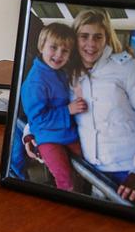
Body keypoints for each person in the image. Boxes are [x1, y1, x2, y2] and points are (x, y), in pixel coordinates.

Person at [70, 9, 135, 204]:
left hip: (129, 172)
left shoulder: (127, 67)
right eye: (84, 36)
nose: (91, 44)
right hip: (91, 173)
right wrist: (29, 133)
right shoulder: (70, 72)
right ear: (75, 38)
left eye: (97, 37)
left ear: (107, 38)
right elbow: (50, 106)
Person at [20, 23, 87, 191]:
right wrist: (68, 110)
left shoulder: (61, 72)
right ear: (41, 46)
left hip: (67, 133)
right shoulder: (35, 82)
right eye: (53, 47)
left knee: (88, 166)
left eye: (65, 51)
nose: (58, 55)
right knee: (65, 179)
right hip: (48, 139)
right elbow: (38, 120)